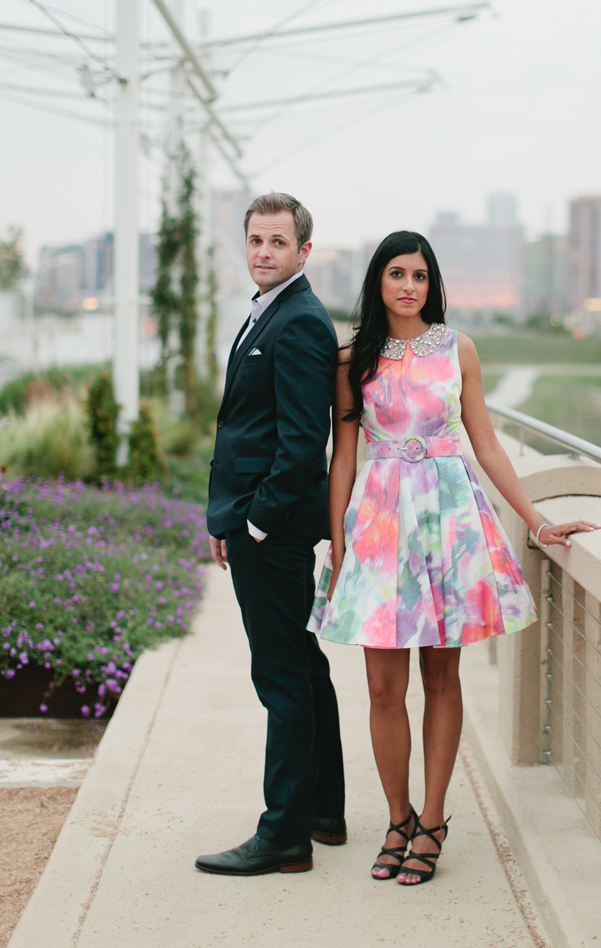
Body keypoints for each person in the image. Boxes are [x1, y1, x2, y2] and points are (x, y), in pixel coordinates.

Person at [309, 230, 600, 886]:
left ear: (432, 284)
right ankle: (397, 816)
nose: (409, 286)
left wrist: (537, 520)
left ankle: (433, 820)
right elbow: (344, 457)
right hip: (381, 523)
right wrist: (338, 540)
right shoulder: (351, 357)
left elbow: (488, 444)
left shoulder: (457, 349)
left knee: (441, 678)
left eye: (419, 275)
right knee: (384, 686)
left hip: (450, 521)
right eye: (396, 274)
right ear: (377, 283)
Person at [196, 192, 345, 878]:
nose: (263, 251)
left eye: (277, 242)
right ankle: (322, 809)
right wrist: (223, 514)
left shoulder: (302, 321)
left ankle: (283, 835)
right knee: (302, 665)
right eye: (255, 240)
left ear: (303, 251)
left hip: (275, 530)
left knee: (280, 675)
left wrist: (252, 522)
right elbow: (243, 430)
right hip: (258, 521)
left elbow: (300, 440)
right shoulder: (268, 310)